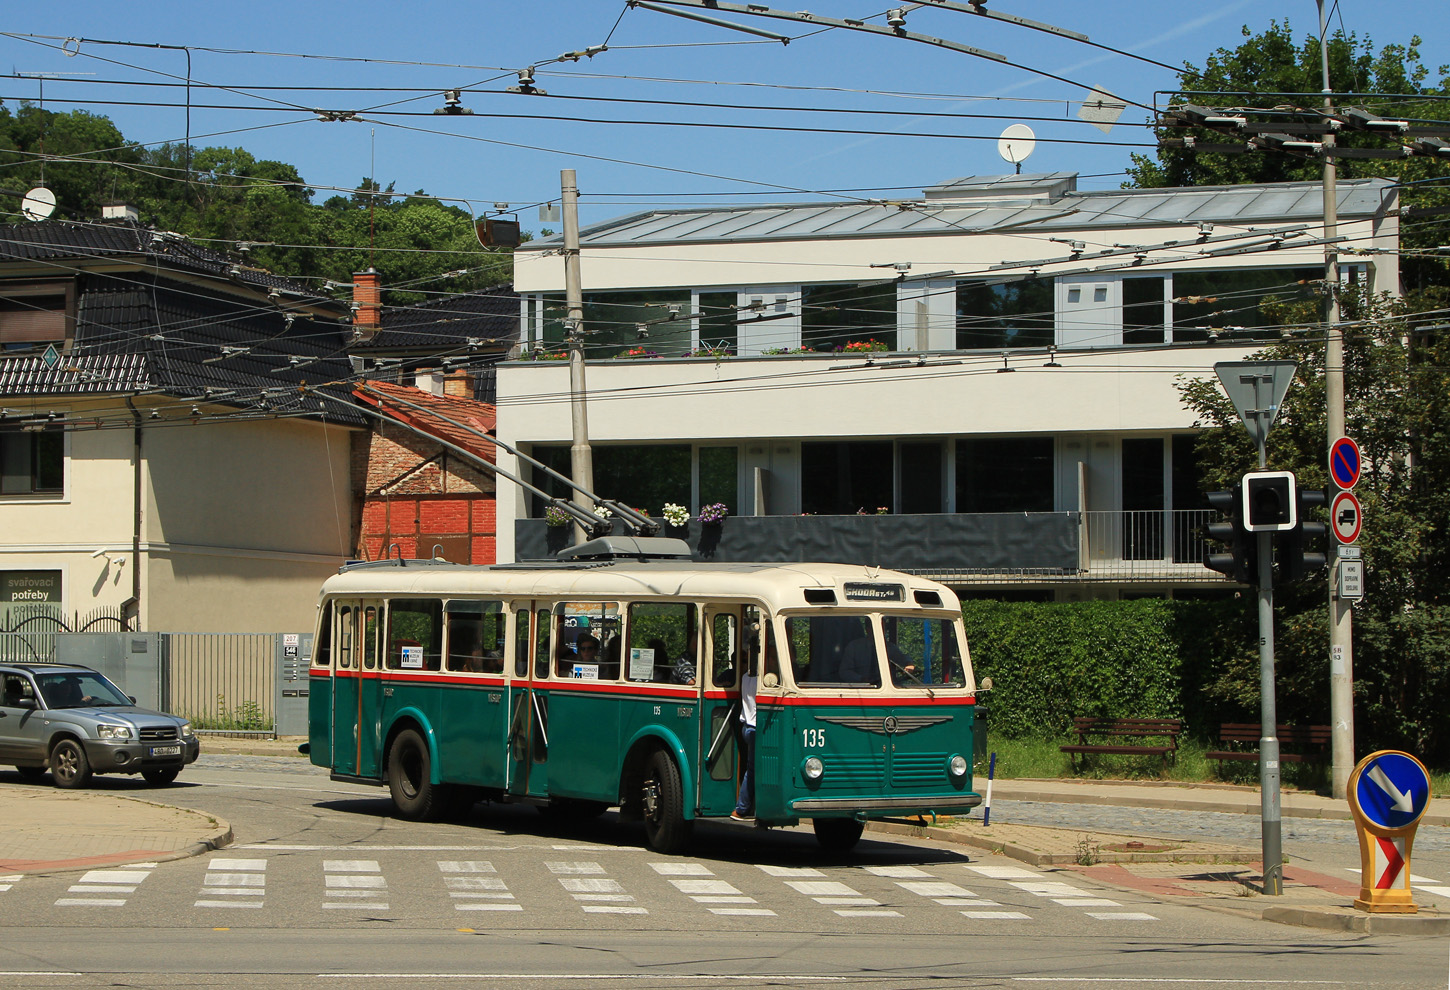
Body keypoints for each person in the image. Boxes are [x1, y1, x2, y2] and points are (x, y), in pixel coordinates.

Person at [732, 638, 761, 822]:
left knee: (751, 768)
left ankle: (746, 807)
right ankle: (742, 808)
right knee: (753, 769)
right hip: (756, 728)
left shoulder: (744, 677)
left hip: (746, 727)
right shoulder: (760, 681)